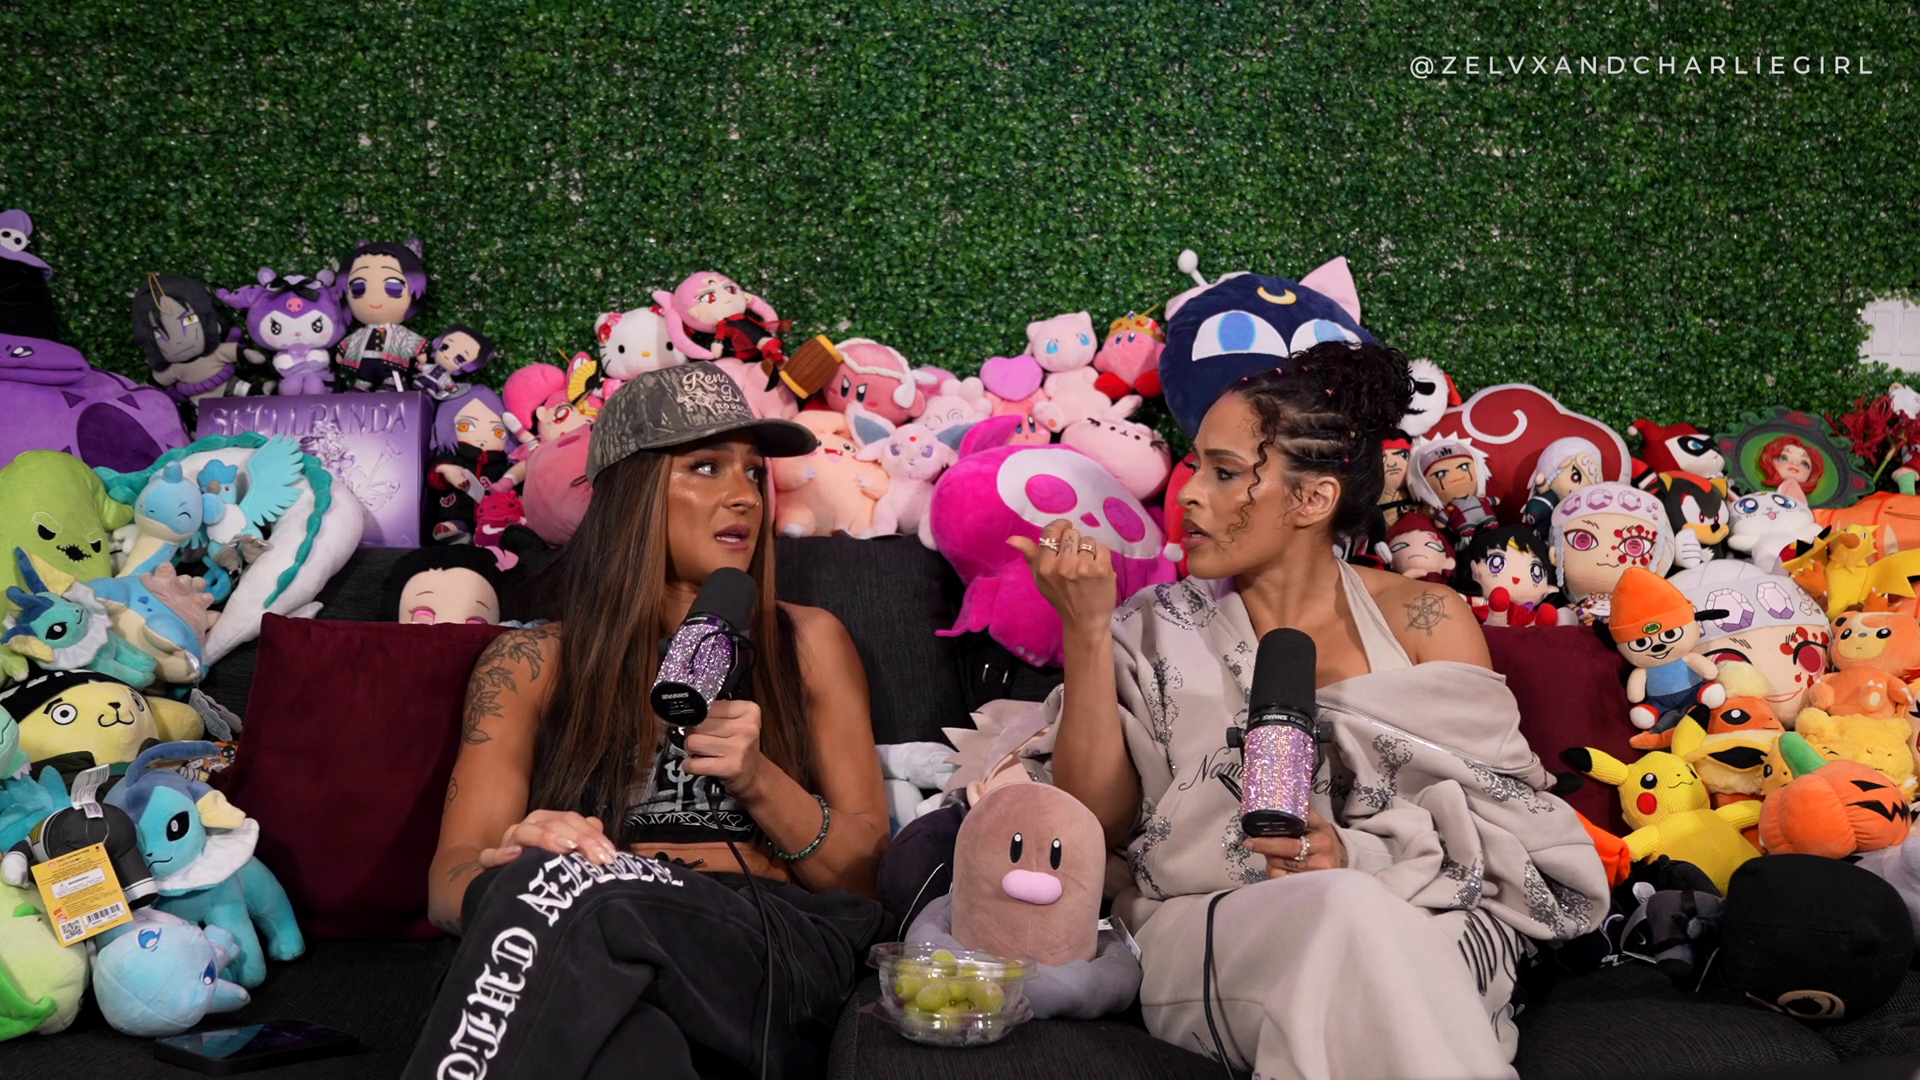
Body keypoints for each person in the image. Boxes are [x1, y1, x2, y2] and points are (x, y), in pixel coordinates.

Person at [1015, 341, 1606, 1080]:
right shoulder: (1149, 627)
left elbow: (1507, 824)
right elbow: (1092, 825)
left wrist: (1353, 857)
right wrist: (1086, 632)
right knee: (1345, 914)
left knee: (1364, 922)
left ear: (1312, 499)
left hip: (1414, 919)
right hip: (1220, 932)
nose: (1189, 494)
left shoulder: (1423, 618)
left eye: (1224, 472)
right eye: (1194, 466)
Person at [407, 364, 892, 1080]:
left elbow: (864, 876)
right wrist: (508, 856)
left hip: (771, 945)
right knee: (625, 1044)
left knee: (574, 899)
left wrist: (760, 780)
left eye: (753, 473)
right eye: (706, 467)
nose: (744, 495)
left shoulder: (810, 641)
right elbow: (449, 884)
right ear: (630, 496)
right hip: (576, 931)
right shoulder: (528, 663)